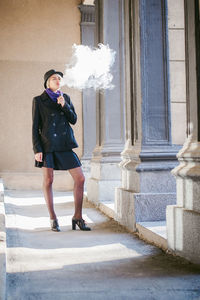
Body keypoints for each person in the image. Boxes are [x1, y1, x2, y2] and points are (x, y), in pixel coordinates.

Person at [32, 69, 91, 232]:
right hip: (47, 145)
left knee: (80, 179)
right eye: (53, 78)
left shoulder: (65, 98)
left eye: (59, 78)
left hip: (65, 144)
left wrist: (64, 106)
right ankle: (53, 218)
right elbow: (35, 127)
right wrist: (37, 148)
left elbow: (73, 119)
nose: (57, 80)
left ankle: (77, 217)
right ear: (47, 83)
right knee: (48, 180)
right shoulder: (38, 101)